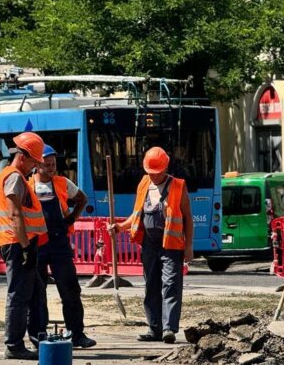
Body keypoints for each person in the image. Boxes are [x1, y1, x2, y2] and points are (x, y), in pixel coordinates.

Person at [109, 147, 194, 344]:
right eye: (150, 173)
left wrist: (188, 246)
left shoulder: (178, 186)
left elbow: (188, 218)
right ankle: (154, 328)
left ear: (165, 169)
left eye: (157, 173)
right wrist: (121, 226)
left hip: (171, 245)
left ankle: (168, 328)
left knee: (170, 285)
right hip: (148, 244)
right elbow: (137, 213)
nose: (154, 176)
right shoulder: (144, 184)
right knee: (151, 286)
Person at [27, 144, 96, 349]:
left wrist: (72, 219)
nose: (51, 168)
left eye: (53, 164)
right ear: (36, 165)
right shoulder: (27, 185)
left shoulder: (62, 183)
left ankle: (76, 334)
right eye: (47, 164)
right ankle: (38, 336)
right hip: (37, 243)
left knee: (70, 289)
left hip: (59, 243)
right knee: (37, 292)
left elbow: (82, 199)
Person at [0, 132, 48, 360]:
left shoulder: (16, 176)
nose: (36, 167)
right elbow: (15, 214)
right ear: (23, 157)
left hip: (22, 243)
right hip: (17, 243)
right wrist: (26, 247)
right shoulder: (14, 177)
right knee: (19, 295)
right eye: (35, 161)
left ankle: (38, 340)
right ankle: (14, 346)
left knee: (36, 292)